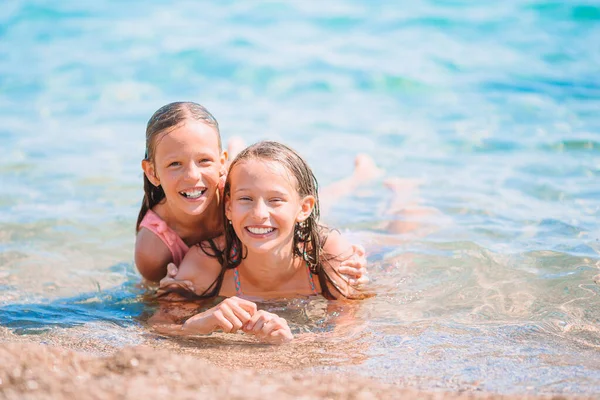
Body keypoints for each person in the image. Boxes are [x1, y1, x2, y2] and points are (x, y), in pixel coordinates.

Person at [152, 141, 369, 343]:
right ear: (228, 207)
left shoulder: (328, 255)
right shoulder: (206, 262)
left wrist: (291, 341)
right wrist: (197, 325)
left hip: (333, 234)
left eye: (275, 200)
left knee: (391, 230)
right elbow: (157, 328)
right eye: (245, 199)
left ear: (304, 208)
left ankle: (363, 177)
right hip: (290, 228)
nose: (259, 214)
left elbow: (345, 336)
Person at [135, 102, 368, 284]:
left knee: (317, 202)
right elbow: (158, 301)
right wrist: (170, 290)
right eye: (175, 164)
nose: (193, 176)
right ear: (152, 172)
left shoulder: (238, 192)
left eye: (204, 160)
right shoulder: (153, 248)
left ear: (220, 164)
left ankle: (359, 176)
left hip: (236, 180)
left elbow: (295, 224)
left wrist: (342, 259)